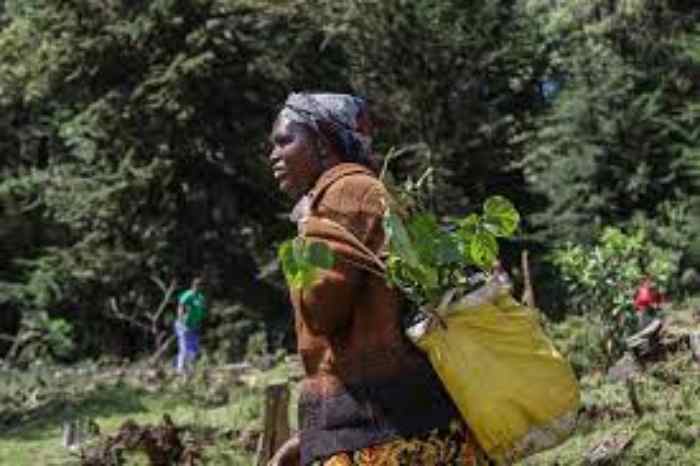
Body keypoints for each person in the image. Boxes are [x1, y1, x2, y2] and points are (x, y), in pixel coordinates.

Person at [267, 93, 490, 466]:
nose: (274, 156)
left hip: (380, 430)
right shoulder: (373, 191)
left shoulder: (344, 191)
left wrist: (307, 228)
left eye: (285, 141)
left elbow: (322, 311)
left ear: (322, 142)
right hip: (402, 420)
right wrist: (310, 437)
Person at [175, 277, 207, 375]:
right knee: (184, 348)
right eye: (197, 286)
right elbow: (180, 305)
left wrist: (199, 321)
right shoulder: (188, 294)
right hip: (184, 325)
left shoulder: (201, 297)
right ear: (193, 286)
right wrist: (181, 320)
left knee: (193, 349)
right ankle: (180, 369)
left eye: (200, 286)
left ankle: (190, 369)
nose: (198, 288)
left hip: (194, 326)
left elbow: (201, 310)